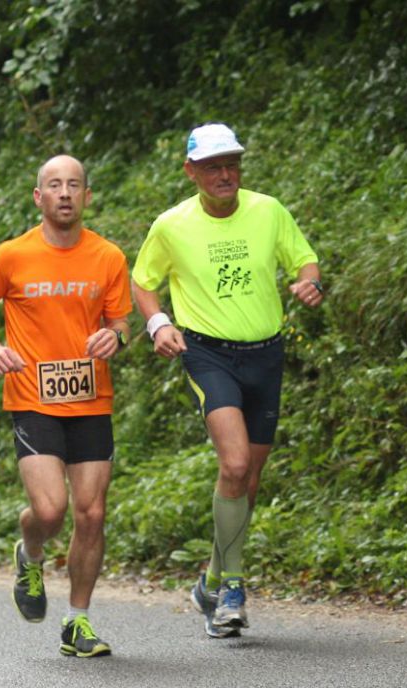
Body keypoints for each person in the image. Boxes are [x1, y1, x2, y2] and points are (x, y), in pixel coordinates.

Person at [132, 123, 323, 638]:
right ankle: (231, 592)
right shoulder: (172, 225)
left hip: (265, 354)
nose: (225, 174)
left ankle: (210, 579)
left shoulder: (268, 211)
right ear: (190, 171)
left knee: (248, 481)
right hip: (207, 354)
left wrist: (308, 284)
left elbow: (305, 261)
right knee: (234, 463)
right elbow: (143, 282)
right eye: (213, 166)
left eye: (232, 163)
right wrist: (159, 323)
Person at [0, 154, 132, 657]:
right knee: (50, 509)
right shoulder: (12, 255)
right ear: (39, 197)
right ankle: (30, 550)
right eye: (54, 185)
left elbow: (122, 322)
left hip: (91, 398)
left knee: (92, 513)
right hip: (33, 399)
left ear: (86, 196)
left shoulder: (109, 257)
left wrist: (114, 339)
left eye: (73, 185)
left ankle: (77, 622)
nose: (64, 193)